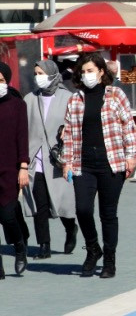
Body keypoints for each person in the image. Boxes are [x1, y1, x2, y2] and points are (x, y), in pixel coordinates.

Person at [61, 52, 136, 278]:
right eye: (83, 72)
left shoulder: (115, 95)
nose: (87, 75)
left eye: (91, 71)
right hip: (83, 163)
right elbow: (69, 134)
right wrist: (66, 162)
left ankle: (110, 260)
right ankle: (92, 248)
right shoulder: (75, 99)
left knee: (108, 213)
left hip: (111, 162)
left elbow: (128, 126)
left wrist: (131, 155)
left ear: (101, 72)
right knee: (83, 209)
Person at [21, 60, 77, 260]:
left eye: (42, 73)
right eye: (36, 73)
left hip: (58, 160)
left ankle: (71, 228)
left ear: (53, 74)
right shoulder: (29, 99)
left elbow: (75, 127)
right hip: (35, 159)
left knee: (62, 202)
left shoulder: (68, 98)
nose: (38, 77)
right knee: (40, 205)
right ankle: (44, 245)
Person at [0, 62, 30, 279]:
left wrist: (23, 166)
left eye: (0, 80)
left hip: (10, 169)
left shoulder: (17, 105)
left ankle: (20, 246)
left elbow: (22, 137)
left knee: (8, 216)